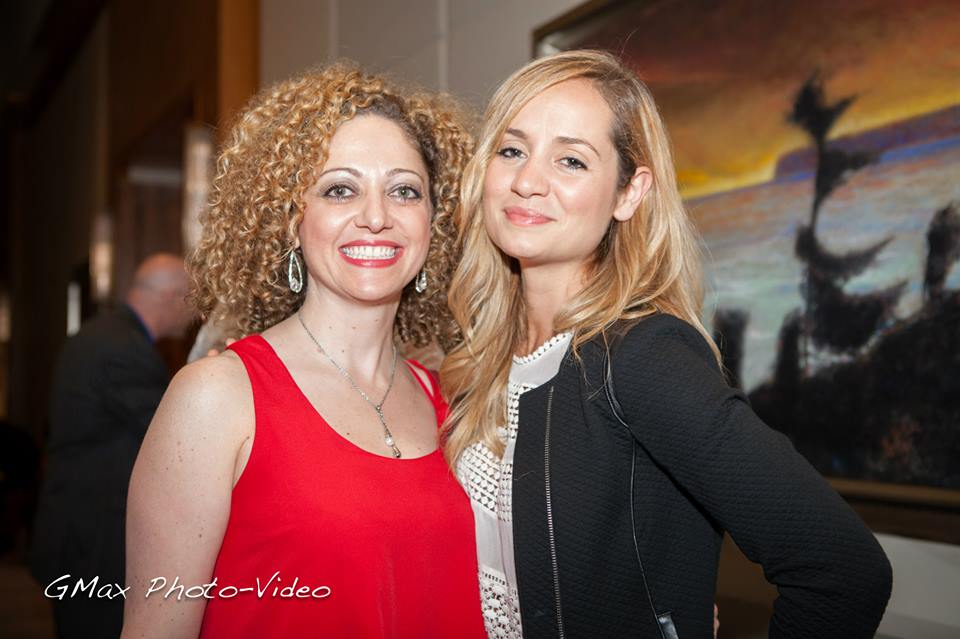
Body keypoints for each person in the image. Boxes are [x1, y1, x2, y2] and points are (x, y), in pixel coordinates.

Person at [442, 50, 892, 638]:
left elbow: (844, 571)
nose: (528, 181)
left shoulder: (640, 356)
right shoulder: (484, 357)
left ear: (629, 194)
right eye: (511, 150)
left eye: (571, 160)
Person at [121, 65, 485, 638]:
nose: (376, 216)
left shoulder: (453, 401)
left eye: (404, 191)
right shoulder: (216, 398)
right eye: (340, 189)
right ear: (292, 221)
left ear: (433, 223)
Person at [31, 253, 194, 639]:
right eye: (191, 298)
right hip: (95, 543)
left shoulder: (101, 334)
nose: (194, 312)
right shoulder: (125, 350)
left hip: (78, 529)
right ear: (170, 297)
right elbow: (172, 437)